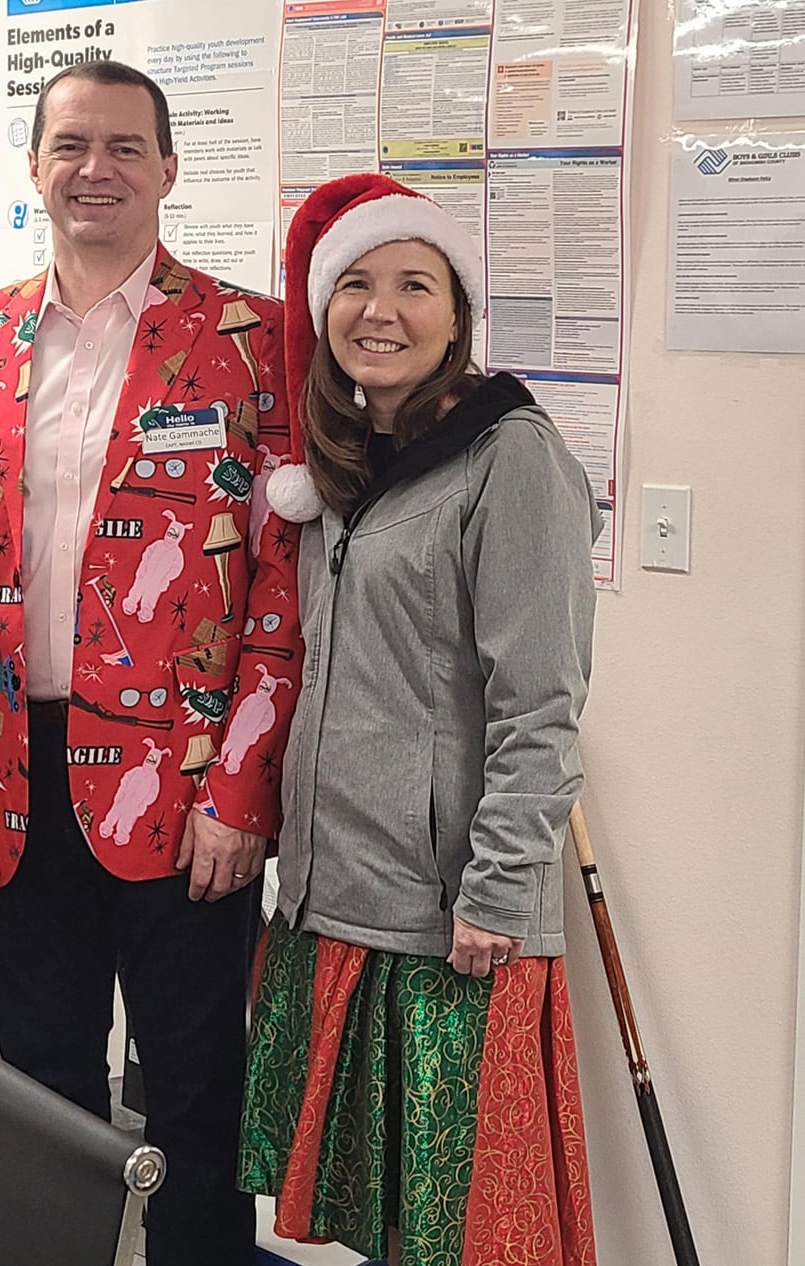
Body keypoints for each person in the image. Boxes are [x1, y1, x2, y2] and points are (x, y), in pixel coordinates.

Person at [0, 60, 300, 1266]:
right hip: (11, 773)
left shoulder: (250, 343)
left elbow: (280, 592)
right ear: (33, 168)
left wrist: (242, 792)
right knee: (40, 1078)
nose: (96, 170)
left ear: (169, 170)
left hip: (182, 795)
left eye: (125, 147)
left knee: (191, 1092)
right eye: (71, 146)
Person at [239, 173, 601, 1266]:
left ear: (457, 313)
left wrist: (492, 894)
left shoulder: (510, 458)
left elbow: (540, 705)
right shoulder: (348, 474)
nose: (379, 311)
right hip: (335, 894)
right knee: (374, 1223)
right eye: (353, 284)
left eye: (412, 284)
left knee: (448, 1232)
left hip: (450, 921)